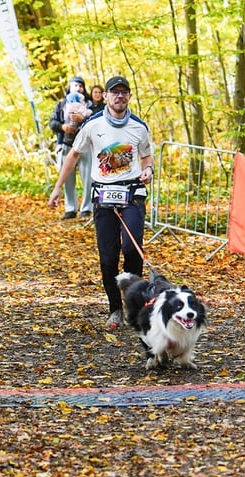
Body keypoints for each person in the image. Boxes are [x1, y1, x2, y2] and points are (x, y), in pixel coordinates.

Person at [48, 76, 154, 329]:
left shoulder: (139, 127)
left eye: (124, 92)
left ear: (129, 96)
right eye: (114, 92)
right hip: (104, 196)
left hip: (132, 194)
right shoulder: (92, 124)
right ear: (105, 96)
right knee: (108, 258)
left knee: (132, 249)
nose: (119, 96)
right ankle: (115, 309)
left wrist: (148, 170)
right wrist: (58, 187)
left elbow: (146, 156)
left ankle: (134, 304)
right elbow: (73, 155)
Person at [48, 76, 94, 219]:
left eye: (81, 86)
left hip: (86, 145)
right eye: (75, 85)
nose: (78, 88)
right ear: (70, 87)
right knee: (67, 177)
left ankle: (87, 208)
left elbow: (97, 120)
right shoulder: (61, 105)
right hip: (67, 143)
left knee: (88, 178)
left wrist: (83, 119)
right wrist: (62, 127)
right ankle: (70, 208)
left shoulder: (90, 104)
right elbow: (52, 122)